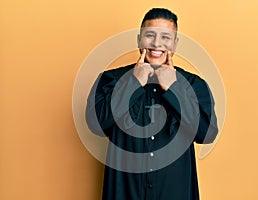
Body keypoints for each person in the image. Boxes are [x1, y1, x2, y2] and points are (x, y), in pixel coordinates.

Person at [86, 8, 218, 200]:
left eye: (166, 37)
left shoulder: (193, 84)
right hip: (124, 193)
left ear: (175, 43)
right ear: (139, 39)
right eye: (150, 35)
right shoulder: (110, 79)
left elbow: (206, 134)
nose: (157, 43)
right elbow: (96, 124)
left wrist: (174, 88)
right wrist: (132, 84)